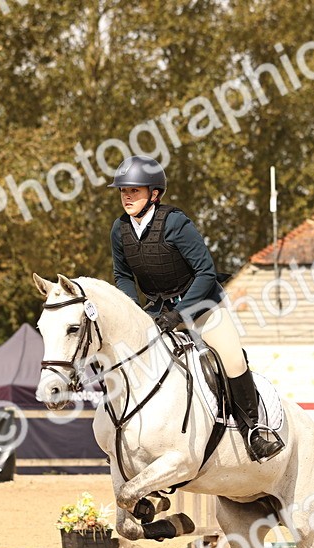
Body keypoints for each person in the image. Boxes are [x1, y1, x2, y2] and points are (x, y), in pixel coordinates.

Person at [107, 155, 282, 462]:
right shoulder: (119, 231)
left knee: (231, 358)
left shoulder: (175, 223)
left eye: (134, 190)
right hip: (157, 310)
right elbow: (122, 276)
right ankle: (125, 436)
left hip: (201, 306)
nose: (127, 196)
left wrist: (178, 315)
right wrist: (134, 312)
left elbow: (205, 272)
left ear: (154, 194)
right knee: (128, 359)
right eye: (123, 191)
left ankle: (253, 431)